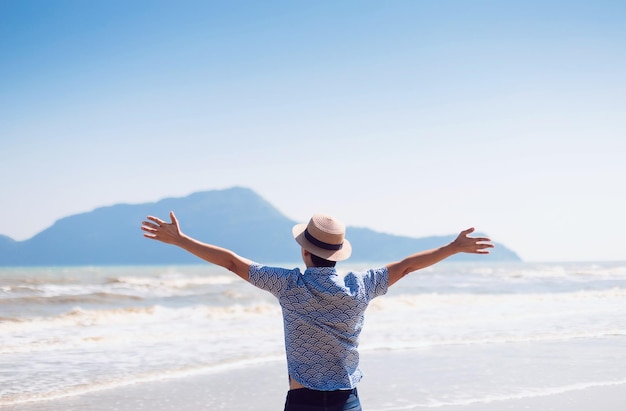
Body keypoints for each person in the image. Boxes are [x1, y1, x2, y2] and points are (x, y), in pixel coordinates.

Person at [141, 212, 493, 410]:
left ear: (305, 253)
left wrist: (181, 240)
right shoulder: (361, 285)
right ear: (339, 253)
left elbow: (232, 262)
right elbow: (406, 266)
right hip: (346, 401)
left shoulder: (288, 285)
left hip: (302, 400)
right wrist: (452, 247)